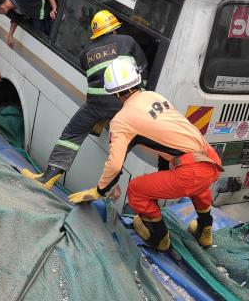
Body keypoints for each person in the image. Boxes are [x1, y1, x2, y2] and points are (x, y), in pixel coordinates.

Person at [69, 58, 224, 252]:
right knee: (198, 185)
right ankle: (204, 230)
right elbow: (166, 142)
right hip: (210, 159)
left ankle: (159, 238)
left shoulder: (121, 120)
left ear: (115, 93)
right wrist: (162, 178)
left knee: (136, 190)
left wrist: (98, 191)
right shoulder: (154, 96)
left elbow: (115, 165)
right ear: (137, 81)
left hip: (190, 172)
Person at [20, 10, 147, 190]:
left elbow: (91, 74)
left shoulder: (85, 52)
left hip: (96, 105)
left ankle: (48, 178)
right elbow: (143, 68)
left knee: (72, 133)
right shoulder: (127, 41)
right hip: (125, 103)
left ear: (96, 33)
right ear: (114, 30)